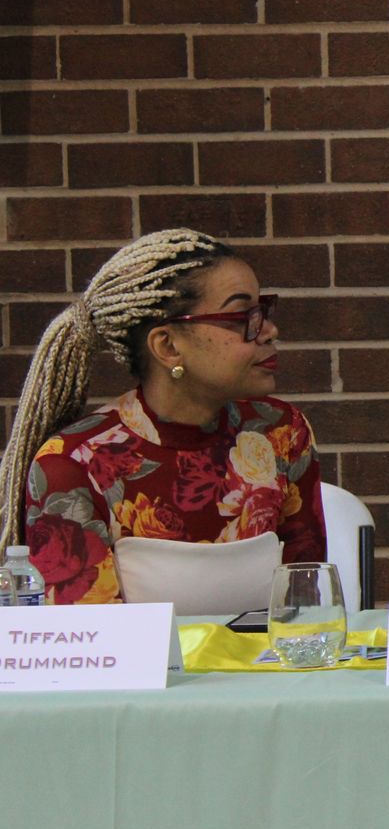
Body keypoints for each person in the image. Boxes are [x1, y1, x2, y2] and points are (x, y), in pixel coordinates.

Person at [0, 228, 325, 604]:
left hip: (267, 663)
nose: (269, 330)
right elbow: (90, 648)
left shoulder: (280, 433)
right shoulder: (73, 463)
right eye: (241, 316)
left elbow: (306, 606)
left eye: (263, 310)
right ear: (168, 346)